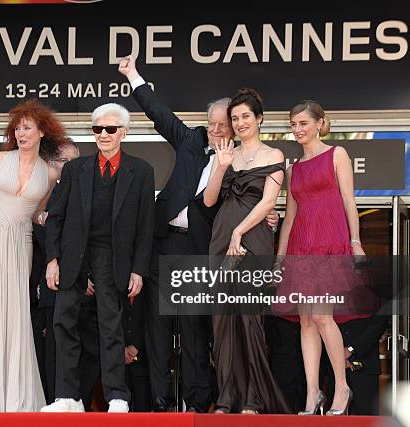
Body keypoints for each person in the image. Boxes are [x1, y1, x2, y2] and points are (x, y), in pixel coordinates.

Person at [118, 55, 278, 412]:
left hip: (198, 247)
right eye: (213, 124)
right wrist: (132, 75)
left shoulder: (240, 161)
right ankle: (159, 401)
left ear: (236, 128)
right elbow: (158, 113)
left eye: (225, 125)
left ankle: (196, 401)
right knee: (156, 327)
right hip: (162, 241)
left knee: (192, 329)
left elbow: (254, 199)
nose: (218, 130)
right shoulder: (191, 140)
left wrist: (270, 220)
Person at [41, 103, 155, 413]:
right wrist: (53, 259)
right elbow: (56, 217)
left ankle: (117, 395)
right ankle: (68, 397)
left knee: (110, 326)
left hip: (113, 258)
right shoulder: (76, 169)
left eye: (110, 128)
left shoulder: (141, 171)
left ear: (124, 132)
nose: (103, 134)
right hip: (74, 255)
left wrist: (138, 271)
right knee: (64, 323)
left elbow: (146, 227)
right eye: (97, 129)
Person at [0, 99, 62, 412]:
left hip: (22, 243)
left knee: (16, 315)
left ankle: (15, 395)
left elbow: (37, 214)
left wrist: (57, 221)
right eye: (17, 128)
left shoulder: (48, 173)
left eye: (27, 128)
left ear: (42, 132)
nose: (21, 133)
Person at [275, 100, 369, 416]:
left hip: (330, 242)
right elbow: (289, 218)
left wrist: (355, 241)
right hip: (301, 245)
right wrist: (280, 258)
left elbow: (348, 200)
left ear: (319, 123)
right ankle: (313, 393)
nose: (298, 129)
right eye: (293, 124)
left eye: (303, 123)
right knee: (305, 319)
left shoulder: (337, 154)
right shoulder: (293, 169)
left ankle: (341, 386)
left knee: (322, 315)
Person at [204, 88, 288, 414]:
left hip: (252, 241)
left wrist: (240, 232)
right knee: (223, 323)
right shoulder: (225, 154)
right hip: (221, 239)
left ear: (259, 119)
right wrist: (222, 167)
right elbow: (210, 200)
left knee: (250, 321)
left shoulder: (274, 155)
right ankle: (226, 398)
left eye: (245, 117)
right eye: (235, 118)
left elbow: (268, 202)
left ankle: (253, 399)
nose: (239, 123)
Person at [31, 140, 101, 407]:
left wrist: (89, 276)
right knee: (57, 351)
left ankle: (79, 401)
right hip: (57, 285)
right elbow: (46, 236)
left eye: (77, 160)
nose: (75, 166)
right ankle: (57, 402)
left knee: (91, 350)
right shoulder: (42, 194)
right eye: (67, 161)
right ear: (51, 165)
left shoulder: (87, 188)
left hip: (92, 285)